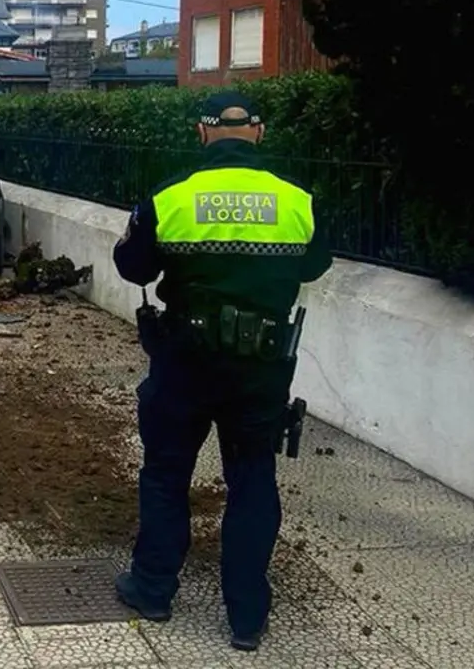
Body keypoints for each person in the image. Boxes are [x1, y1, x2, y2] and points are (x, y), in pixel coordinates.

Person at [111, 92, 333, 652]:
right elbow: (317, 263)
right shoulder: (297, 201)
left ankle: (154, 590)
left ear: (203, 133)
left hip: (185, 361)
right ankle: (247, 617)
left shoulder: (173, 197)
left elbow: (131, 264)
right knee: (252, 479)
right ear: (258, 132)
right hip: (260, 367)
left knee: (166, 473)